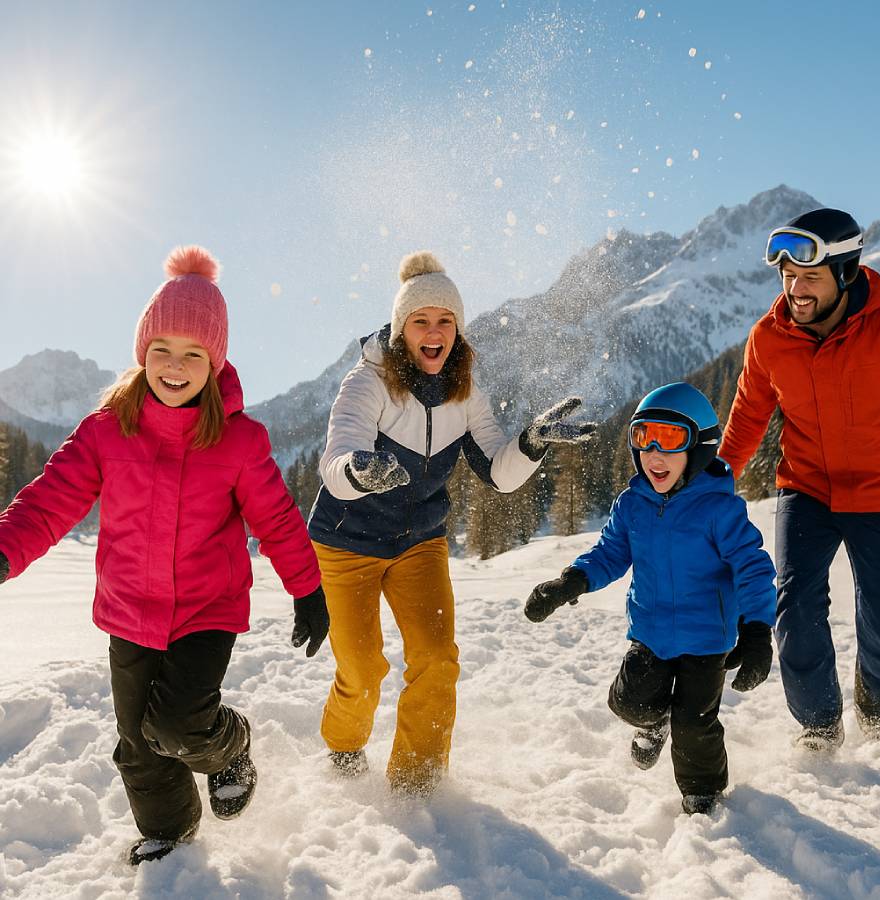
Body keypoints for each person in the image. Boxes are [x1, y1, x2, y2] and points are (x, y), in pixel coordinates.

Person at [0, 246, 326, 865]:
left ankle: (229, 747)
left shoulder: (238, 440)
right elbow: (50, 500)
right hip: (129, 611)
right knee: (138, 744)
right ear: (142, 353)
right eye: (161, 351)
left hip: (206, 608)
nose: (174, 367)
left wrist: (307, 589)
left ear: (215, 361)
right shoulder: (106, 430)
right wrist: (4, 550)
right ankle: (172, 835)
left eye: (192, 354)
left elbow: (278, 520)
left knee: (177, 725)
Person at [307, 250, 595, 796]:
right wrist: (359, 473)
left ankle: (417, 784)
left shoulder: (466, 393)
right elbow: (334, 462)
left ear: (458, 331)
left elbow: (498, 473)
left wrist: (530, 442)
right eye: (420, 321)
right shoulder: (367, 384)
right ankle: (344, 746)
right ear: (400, 330)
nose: (433, 332)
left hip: (419, 543)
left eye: (445, 321)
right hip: (347, 543)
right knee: (364, 670)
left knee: (437, 660)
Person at [524, 382, 776, 815]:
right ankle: (651, 723)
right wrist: (571, 582)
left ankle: (703, 793)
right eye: (643, 438)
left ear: (699, 448)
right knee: (629, 702)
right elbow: (610, 554)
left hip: (706, 639)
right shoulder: (632, 505)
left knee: (695, 725)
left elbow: (752, 567)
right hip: (651, 632)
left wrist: (756, 631)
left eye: (671, 439)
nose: (654, 453)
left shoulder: (720, 510)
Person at [720, 207, 880, 751]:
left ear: (845, 274)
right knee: (794, 610)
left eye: (810, 277)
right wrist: (713, 485)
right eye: (788, 276)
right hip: (806, 489)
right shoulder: (769, 338)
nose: (796, 289)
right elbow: (748, 416)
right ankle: (819, 726)